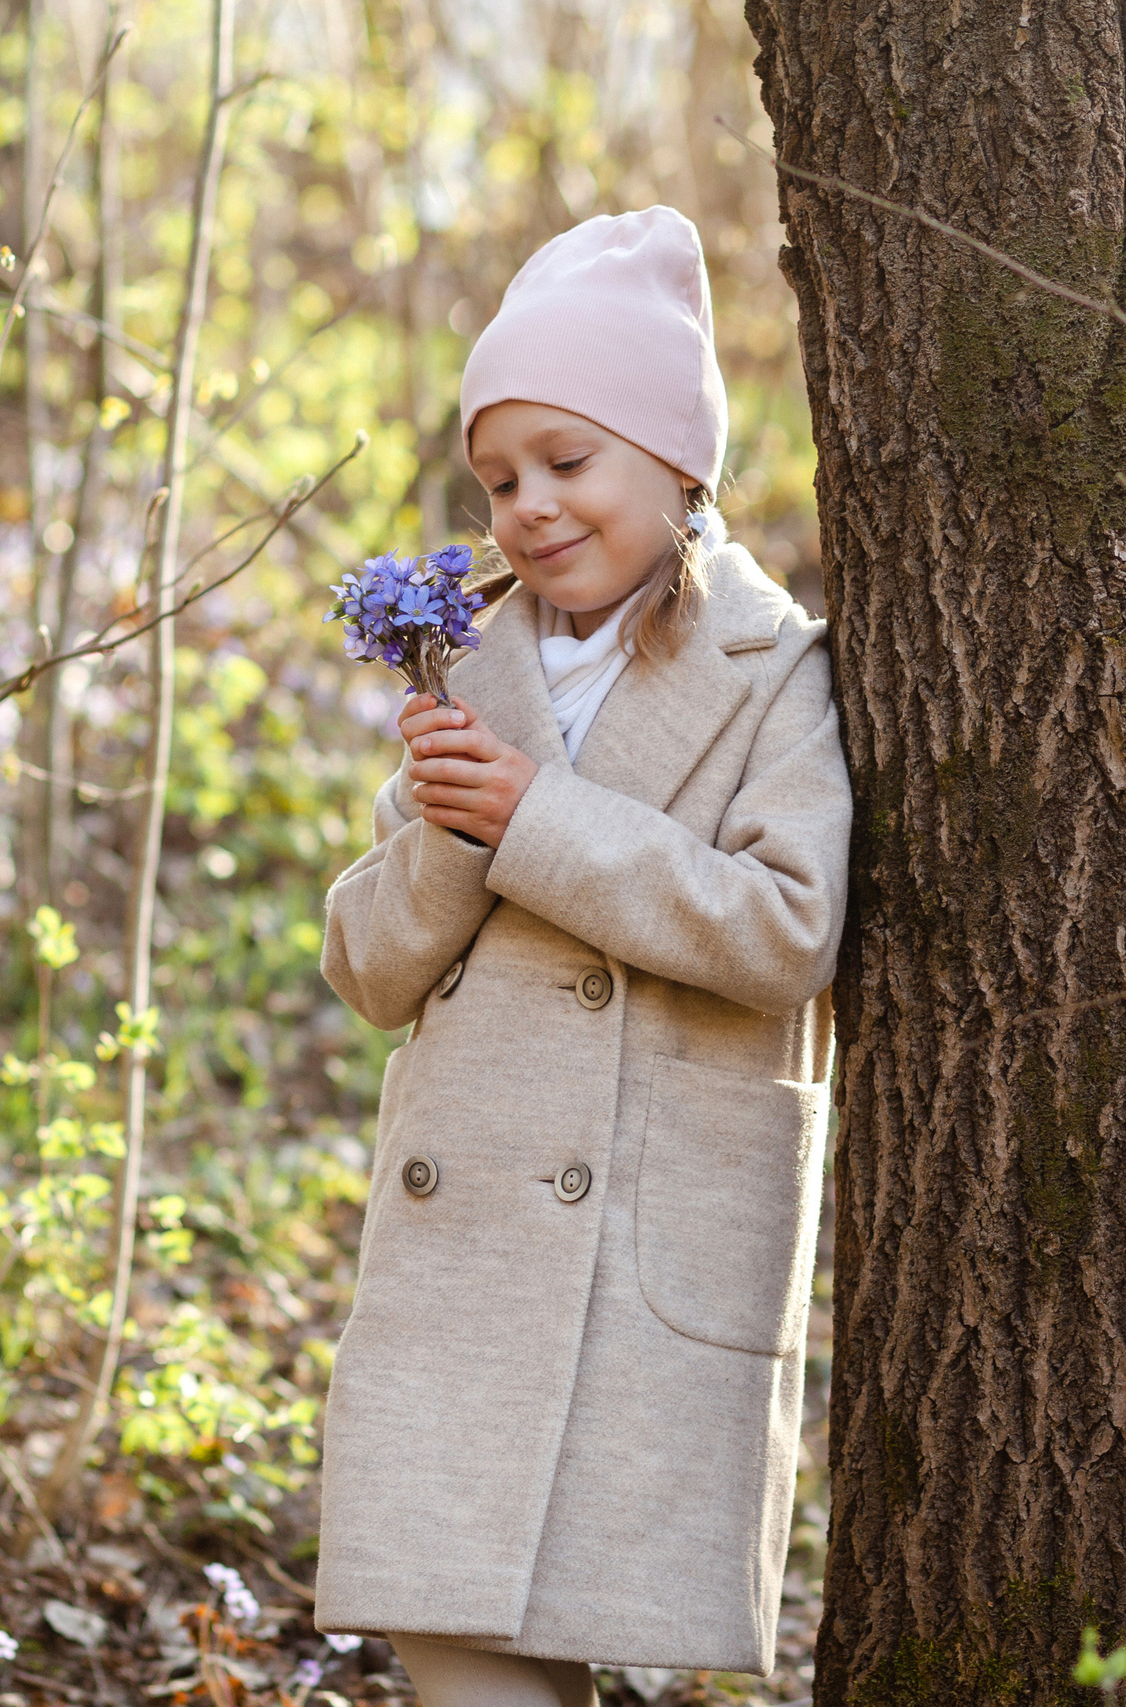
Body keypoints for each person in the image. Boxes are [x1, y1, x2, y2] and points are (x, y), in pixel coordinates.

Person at [315, 205, 852, 1707]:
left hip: (641, 1241)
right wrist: (450, 834)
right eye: (498, 478)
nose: (530, 508)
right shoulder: (468, 665)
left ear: (676, 464)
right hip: (464, 1259)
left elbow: (787, 929)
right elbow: (368, 969)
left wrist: (541, 821)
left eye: (569, 460)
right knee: (453, 1631)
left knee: (542, 1642)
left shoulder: (774, 670)